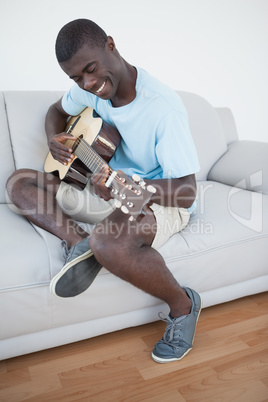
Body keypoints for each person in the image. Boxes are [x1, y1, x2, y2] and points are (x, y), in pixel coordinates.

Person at [6, 19, 202, 363]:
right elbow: (56, 111)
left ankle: (183, 306)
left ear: (110, 44)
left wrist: (138, 188)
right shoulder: (85, 90)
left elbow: (186, 192)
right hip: (104, 189)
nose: (88, 84)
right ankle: (75, 242)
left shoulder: (163, 108)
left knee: (108, 242)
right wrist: (56, 139)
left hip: (160, 200)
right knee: (19, 182)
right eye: (76, 78)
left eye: (91, 70)